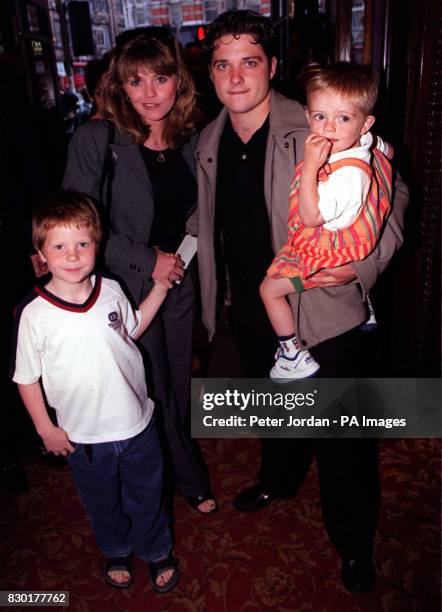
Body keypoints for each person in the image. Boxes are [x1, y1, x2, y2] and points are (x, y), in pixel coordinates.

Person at [196, 10, 409, 592]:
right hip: (256, 303)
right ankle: (279, 477)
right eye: (222, 64)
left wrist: (359, 267)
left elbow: (390, 193)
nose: (235, 77)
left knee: (343, 435)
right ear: (211, 73)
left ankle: (354, 542)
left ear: (271, 66)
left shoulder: (319, 123)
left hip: (321, 301)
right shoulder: (208, 140)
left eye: (249, 62)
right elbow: (205, 216)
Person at [63, 28, 216, 514]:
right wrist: (150, 261)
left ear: (179, 81)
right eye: (136, 81)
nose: (149, 93)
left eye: (160, 78)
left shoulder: (196, 137)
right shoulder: (98, 138)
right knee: (144, 389)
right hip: (125, 288)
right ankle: (173, 480)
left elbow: (202, 212)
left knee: (179, 384)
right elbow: (80, 226)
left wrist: (181, 263)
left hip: (181, 281)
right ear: (120, 87)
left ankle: (179, 471)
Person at [11, 192, 179, 592]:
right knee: (102, 501)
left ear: (96, 245)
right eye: (60, 246)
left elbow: (132, 328)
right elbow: (26, 378)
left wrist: (159, 287)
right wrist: (45, 430)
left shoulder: (111, 289)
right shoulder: (34, 314)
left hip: (136, 425)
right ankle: (116, 548)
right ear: (41, 253)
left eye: (82, 244)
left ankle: (156, 549)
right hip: (84, 438)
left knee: (147, 493)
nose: (72, 255)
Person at [260, 62, 393, 381]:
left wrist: (310, 169)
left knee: (269, 290)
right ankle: (367, 304)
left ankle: (293, 353)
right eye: (320, 117)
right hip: (355, 239)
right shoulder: (366, 142)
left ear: (365, 123)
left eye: (343, 118)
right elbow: (387, 149)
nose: (329, 128)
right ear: (308, 116)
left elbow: (310, 216)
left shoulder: (346, 176)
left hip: (328, 255)